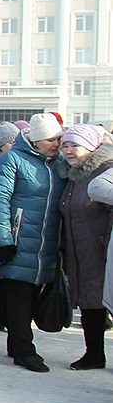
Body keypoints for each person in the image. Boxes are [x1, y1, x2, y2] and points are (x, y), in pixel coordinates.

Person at [0, 113, 63, 372]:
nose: (57, 143)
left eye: (59, 138)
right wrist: (4, 240)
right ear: (37, 140)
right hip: (19, 240)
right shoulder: (12, 160)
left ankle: (16, 342)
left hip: (47, 242)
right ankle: (23, 349)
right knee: (19, 292)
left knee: (30, 294)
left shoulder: (58, 164)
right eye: (51, 139)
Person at [56, 125, 113, 370]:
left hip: (101, 248)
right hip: (78, 247)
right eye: (65, 145)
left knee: (105, 300)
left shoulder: (104, 172)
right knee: (89, 302)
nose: (68, 151)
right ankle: (94, 354)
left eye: (74, 145)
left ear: (90, 148)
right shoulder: (71, 174)